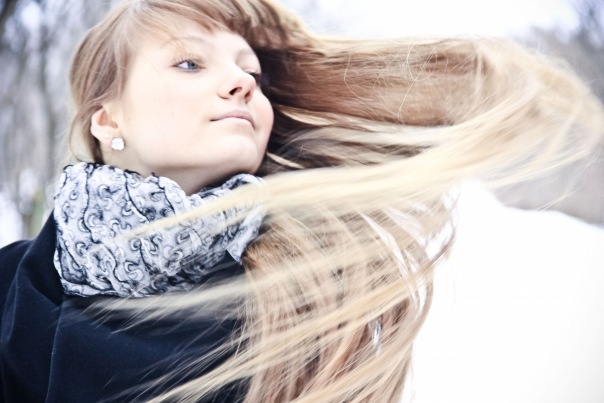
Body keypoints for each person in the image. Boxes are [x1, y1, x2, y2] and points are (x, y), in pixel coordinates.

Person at [1, 0, 603, 402]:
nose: (242, 82)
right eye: (189, 62)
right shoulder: (12, 280)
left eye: (254, 75)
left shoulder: (302, 301)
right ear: (108, 119)